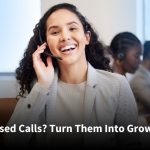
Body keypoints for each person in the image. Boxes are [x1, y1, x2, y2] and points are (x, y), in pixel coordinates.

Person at [4, 3, 138, 149]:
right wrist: (42, 87)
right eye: (55, 32)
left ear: (87, 37)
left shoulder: (117, 85)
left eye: (72, 28)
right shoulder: (38, 87)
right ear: (46, 46)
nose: (65, 36)